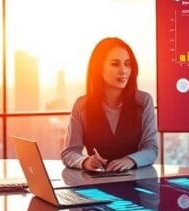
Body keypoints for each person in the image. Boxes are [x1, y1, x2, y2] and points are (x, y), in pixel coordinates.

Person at [62, 37, 159, 172]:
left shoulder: (144, 101)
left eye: (127, 64)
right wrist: (85, 161)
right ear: (98, 68)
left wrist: (130, 160)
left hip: (137, 180)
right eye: (115, 64)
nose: (123, 70)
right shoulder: (82, 105)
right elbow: (69, 152)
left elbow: (151, 149)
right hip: (97, 182)